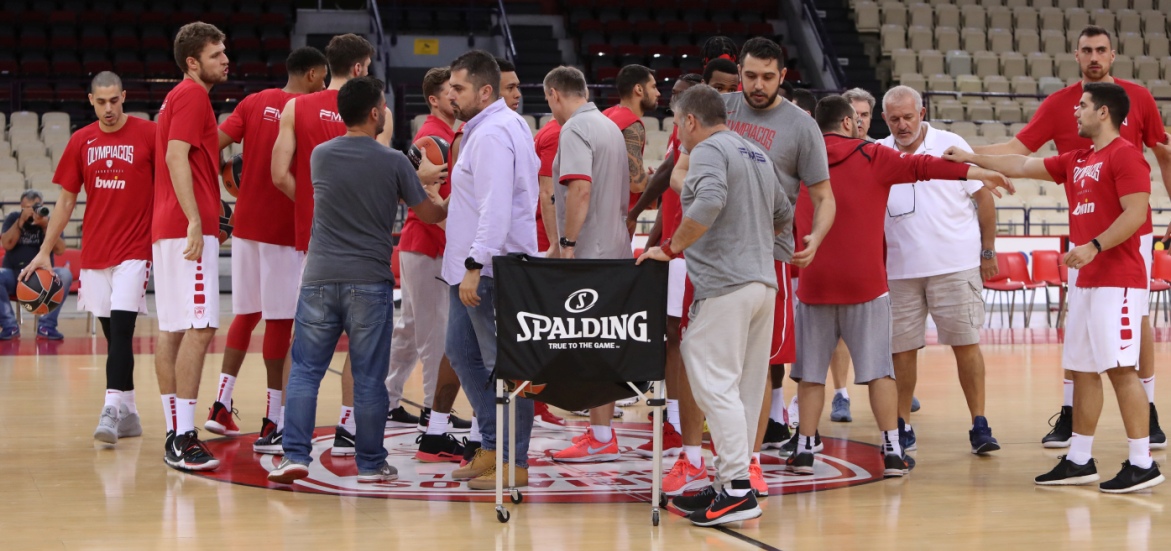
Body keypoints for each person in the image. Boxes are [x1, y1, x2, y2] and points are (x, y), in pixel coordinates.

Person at [947, 82, 1166, 494]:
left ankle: (1143, 463)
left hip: (1118, 281)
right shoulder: (1078, 159)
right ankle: (1080, 459)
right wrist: (970, 157)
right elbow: (1020, 163)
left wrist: (1094, 245)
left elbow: (1137, 213)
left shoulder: (1126, 155)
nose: (1075, 112)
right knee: (1083, 370)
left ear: (1104, 112)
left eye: (1082, 106)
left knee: (1122, 369)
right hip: (1086, 282)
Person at [788, 95, 1014, 477]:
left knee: (811, 374)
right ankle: (893, 451)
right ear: (848, 123)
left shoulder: (800, 159)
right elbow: (924, 166)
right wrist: (974, 172)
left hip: (815, 280)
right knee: (881, 371)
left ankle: (805, 449)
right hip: (867, 282)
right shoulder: (873, 155)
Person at [974, 25, 1171, 450]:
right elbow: (1018, 153)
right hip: (1084, 230)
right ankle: (1071, 418)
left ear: (1113, 55)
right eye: (1087, 50)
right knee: (1078, 327)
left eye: (1101, 50)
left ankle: (1148, 415)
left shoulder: (1137, 99)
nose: (1094, 57)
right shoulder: (1060, 105)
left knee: (1135, 321)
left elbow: (1163, 154)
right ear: (1076, 55)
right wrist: (963, 153)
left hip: (1131, 231)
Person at [267, 76, 447, 485]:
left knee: (305, 371)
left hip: (319, 277)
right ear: (374, 113)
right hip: (368, 281)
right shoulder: (394, 162)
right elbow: (428, 213)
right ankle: (370, 463)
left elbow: (359, 186)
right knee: (368, 378)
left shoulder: (320, 155)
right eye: (383, 106)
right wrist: (441, 193)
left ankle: (294, 455)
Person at [638, 84, 792, 526]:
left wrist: (670, 248)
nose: (677, 132)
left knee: (711, 380)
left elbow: (709, 200)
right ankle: (731, 481)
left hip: (726, 285)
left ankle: (738, 490)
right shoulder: (755, 152)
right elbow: (784, 213)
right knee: (743, 389)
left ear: (690, 120)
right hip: (762, 285)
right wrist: (752, 239)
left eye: (676, 122)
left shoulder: (707, 149)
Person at [697, 38, 835, 495]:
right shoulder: (719, 110)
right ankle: (715, 463)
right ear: (739, 72)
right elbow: (682, 167)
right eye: (751, 76)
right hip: (714, 258)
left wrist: (817, 235)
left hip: (766, 260)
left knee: (754, 371)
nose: (758, 85)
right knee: (713, 368)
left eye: (768, 77)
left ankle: (749, 464)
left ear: (783, 76)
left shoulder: (801, 126)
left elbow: (824, 197)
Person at [270, 34, 404, 456]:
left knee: (306, 352)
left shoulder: (296, 107)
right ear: (361, 67)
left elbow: (278, 174)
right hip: (364, 249)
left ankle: (287, 436)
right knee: (364, 352)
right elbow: (380, 175)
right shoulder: (379, 111)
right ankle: (349, 427)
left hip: (315, 242)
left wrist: (315, 204)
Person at [204, 47, 327, 447]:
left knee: (245, 314)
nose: (325, 85)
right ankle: (273, 420)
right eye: (323, 78)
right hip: (282, 228)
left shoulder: (253, 102)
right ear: (312, 75)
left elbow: (211, 143)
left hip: (244, 225)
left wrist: (216, 186)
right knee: (279, 322)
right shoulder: (308, 110)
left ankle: (220, 405)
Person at [20, 72, 153, 443]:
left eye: (114, 100)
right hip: (96, 252)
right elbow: (66, 201)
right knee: (115, 338)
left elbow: (171, 183)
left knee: (122, 332)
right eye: (101, 102)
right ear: (91, 100)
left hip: (134, 250)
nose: (108, 108)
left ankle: (110, 411)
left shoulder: (149, 134)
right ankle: (130, 414)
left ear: (124, 96)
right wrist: (44, 251)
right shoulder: (81, 140)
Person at [877, 85, 1001, 455]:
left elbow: (984, 198)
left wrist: (988, 250)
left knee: (966, 345)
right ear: (885, 119)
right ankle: (902, 424)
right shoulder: (878, 152)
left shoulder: (951, 143)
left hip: (956, 266)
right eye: (895, 119)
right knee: (901, 351)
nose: (902, 125)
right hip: (898, 271)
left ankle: (980, 423)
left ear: (922, 113)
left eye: (908, 117)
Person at [443, 50, 540, 490]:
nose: (451, 95)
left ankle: (512, 459)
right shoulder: (493, 126)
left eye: (458, 88)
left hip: (488, 269)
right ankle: (491, 443)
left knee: (505, 365)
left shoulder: (493, 133)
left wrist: (474, 264)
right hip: (472, 266)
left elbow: (496, 208)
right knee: (462, 353)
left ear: (485, 91)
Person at [543, 66, 634, 463]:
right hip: (615, 249)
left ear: (554, 94)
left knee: (591, 347)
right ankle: (601, 433)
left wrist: (566, 243)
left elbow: (580, 189)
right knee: (603, 346)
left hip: (592, 255)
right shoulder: (609, 126)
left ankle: (601, 436)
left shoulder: (575, 129)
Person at [382, 66, 473, 465]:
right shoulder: (432, 137)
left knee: (410, 329)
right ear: (434, 99)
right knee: (435, 335)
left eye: (459, 88)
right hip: (427, 246)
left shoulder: (451, 134)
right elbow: (422, 199)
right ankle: (435, 415)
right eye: (450, 90)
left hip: (422, 247)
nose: (456, 94)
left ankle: (387, 398)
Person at [152, 21, 229, 471]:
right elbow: (174, 156)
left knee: (174, 329)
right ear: (193, 62)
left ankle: (174, 432)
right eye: (217, 54)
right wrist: (197, 220)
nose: (226, 59)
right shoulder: (192, 95)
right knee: (199, 327)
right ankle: (183, 436)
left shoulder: (176, 97)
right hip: (184, 227)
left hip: (170, 225)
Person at [627, 75, 706, 488]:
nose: (669, 99)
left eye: (677, 95)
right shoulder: (680, 132)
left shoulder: (701, 135)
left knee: (685, 339)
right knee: (673, 335)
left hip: (696, 251)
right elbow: (668, 199)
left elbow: (668, 181)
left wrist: (637, 212)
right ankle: (675, 422)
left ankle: (683, 426)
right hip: (674, 248)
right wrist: (651, 239)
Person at [0, 190, 73, 341]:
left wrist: (46, 227)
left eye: (36, 207)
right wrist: (20, 221)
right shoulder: (13, 218)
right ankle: (9, 326)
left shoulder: (50, 221)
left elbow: (60, 250)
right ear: (21, 207)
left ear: (42, 205)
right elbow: (7, 244)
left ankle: (47, 326)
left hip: (43, 277)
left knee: (65, 275)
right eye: (28, 207)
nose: (33, 211)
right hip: (15, 275)